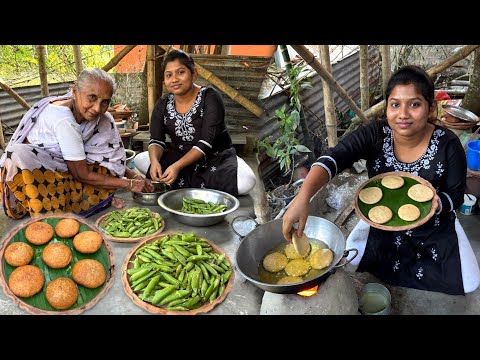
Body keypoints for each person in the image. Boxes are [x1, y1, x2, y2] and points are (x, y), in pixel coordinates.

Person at [282, 65, 480, 295]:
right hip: (383, 227)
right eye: (395, 104)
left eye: (414, 104)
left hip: (432, 227)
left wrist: (437, 204)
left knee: (469, 281)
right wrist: (303, 197)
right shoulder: (375, 134)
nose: (403, 114)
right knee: (352, 261)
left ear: (430, 108)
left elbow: (455, 196)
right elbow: (334, 158)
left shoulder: (448, 144)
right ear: (387, 107)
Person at [0, 68, 153, 219]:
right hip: (38, 175)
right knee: (49, 191)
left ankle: (103, 196)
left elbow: (105, 157)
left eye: (105, 101)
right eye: (92, 97)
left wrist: (132, 174)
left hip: (71, 166)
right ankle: (56, 212)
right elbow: (81, 174)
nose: (97, 108)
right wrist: (129, 184)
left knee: (106, 119)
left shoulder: (91, 115)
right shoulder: (64, 121)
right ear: (74, 92)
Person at [134, 49, 256, 196]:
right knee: (141, 159)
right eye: (169, 75)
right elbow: (156, 140)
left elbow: (206, 142)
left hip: (214, 158)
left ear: (194, 74)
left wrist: (177, 167)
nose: (174, 79)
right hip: (179, 155)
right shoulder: (163, 103)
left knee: (247, 181)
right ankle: (197, 184)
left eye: (181, 72)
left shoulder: (210, 97)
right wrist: (154, 163)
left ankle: (186, 181)